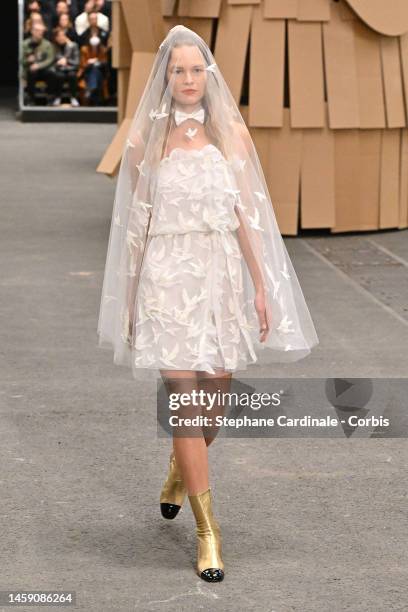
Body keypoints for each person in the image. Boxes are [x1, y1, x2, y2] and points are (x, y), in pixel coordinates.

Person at [97, 25, 319, 582]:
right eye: (179, 71)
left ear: (209, 75)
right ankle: (208, 534)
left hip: (220, 277)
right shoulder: (146, 140)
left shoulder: (232, 138)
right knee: (184, 399)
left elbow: (247, 218)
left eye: (197, 70)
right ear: (165, 78)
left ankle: (179, 469)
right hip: (166, 277)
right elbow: (135, 227)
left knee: (213, 401)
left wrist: (262, 286)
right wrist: (127, 300)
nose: (189, 79)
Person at [21, 22, 57, 105]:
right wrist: (27, 60)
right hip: (29, 70)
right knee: (31, 72)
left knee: (52, 73)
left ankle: (50, 98)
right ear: (32, 31)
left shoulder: (47, 44)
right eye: (37, 30)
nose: (40, 32)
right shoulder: (24, 44)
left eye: (41, 31)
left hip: (43, 69)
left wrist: (38, 65)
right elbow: (21, 60)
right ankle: (31, 99)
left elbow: (50, 59)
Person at [51, 27, 80, 107]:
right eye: (59, 36)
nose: (61, 37)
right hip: (59, 69)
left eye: (63, 35)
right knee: (59, 76)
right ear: (56, 38)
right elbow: (52, 63)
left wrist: (66, 61)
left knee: (72, 75)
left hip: (71, 69)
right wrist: (58, 63)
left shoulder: (73, 46)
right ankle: (57, 97)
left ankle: (73, 98)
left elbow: (76, 62)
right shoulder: (53, 47)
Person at [77, 33, 108, 105]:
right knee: (93, 69)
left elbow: (105, 62)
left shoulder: (103, 49)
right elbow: (82, 64)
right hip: (87, 72)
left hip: (100, 74)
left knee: (95, 70)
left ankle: (91, 89)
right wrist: (89, 62)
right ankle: (92, 87)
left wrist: (98, 62)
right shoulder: (84, 49)